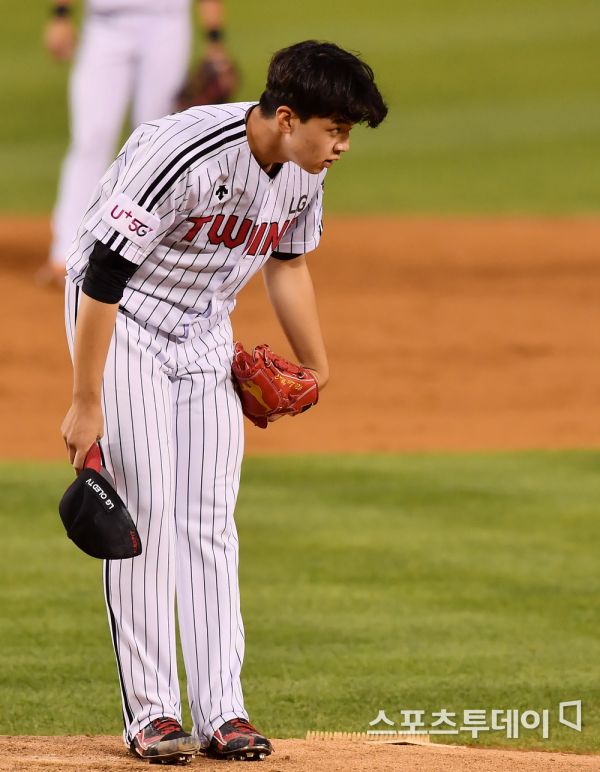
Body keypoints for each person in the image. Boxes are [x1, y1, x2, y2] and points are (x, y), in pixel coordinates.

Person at [61, 40, 387, 765]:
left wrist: (318, 367)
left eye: (347, 134)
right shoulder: (184, 151)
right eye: (333, 129)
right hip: (123, 321)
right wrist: (87, 400)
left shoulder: (302, 173)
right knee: (144, 513)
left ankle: (223, 712)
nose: (340, 146)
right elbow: (105, 272)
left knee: (209, 518)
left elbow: (289, 263)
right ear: (283, 114)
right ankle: (151, 715)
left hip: (206, 329)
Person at [39, 0, 234, 287]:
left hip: (166, 24)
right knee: (91, 138)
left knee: (157, 144)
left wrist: (214, 38)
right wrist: (61, 14)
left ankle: (149, 256)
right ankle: (66, 255)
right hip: (104, 25)